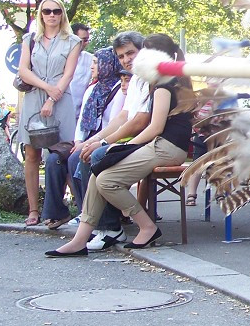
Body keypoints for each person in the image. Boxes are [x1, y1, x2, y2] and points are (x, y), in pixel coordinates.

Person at [46, 34, 192, 257]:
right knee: (99, 172)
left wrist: (120, 147)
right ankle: (80, 239)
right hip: (161, 145)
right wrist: (106, 143)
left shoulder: (165, 84)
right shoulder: (162, 81)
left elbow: (155, 127)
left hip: (168, 147)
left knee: (106, 179)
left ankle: (146, 227)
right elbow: (133, 120)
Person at [76, 32, 151, 249]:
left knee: (97, 156)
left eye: (130, 53)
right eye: (121, 56)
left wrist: (103, 143)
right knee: (84, 154)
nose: (126, 59)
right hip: (133, 138)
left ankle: (111, 228)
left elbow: (140, 121)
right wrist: (95, 139)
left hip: (146, 140)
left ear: (143, 51)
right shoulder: (135, 79)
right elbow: (123, 116)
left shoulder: (148, 78)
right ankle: (96, 226)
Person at [39, 47, 124, 229]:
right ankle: (56, 213)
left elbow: (113, 125)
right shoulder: (92, 89)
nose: (92, 67)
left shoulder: (119, 89)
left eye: (96, 63)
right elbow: (82, 123)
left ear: (107, 64)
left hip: (105, 139)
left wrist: (86, 144)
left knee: (76, 159)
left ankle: (86, 213)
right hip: (86, 138)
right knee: (54, 160)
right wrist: (78, 141)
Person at [16, 0, 82, 227]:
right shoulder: (30, 40)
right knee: (32, 153)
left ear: (62, 14)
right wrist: (46, 89)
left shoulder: (72, 41)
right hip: (35, 96)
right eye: (47, 11)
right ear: (40, 15)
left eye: (56, 11)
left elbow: (68, 73)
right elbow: (24, 70)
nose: (51, 15)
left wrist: (53, 97)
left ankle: (75, 207)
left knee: (63, 154)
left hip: (61, 98)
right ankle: (34, 209)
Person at [70, 23, 94, 116]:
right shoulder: (59, 58)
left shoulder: (90, 59)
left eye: (87, 40)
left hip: (78, 114)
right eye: (83, 40)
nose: (86, 43)